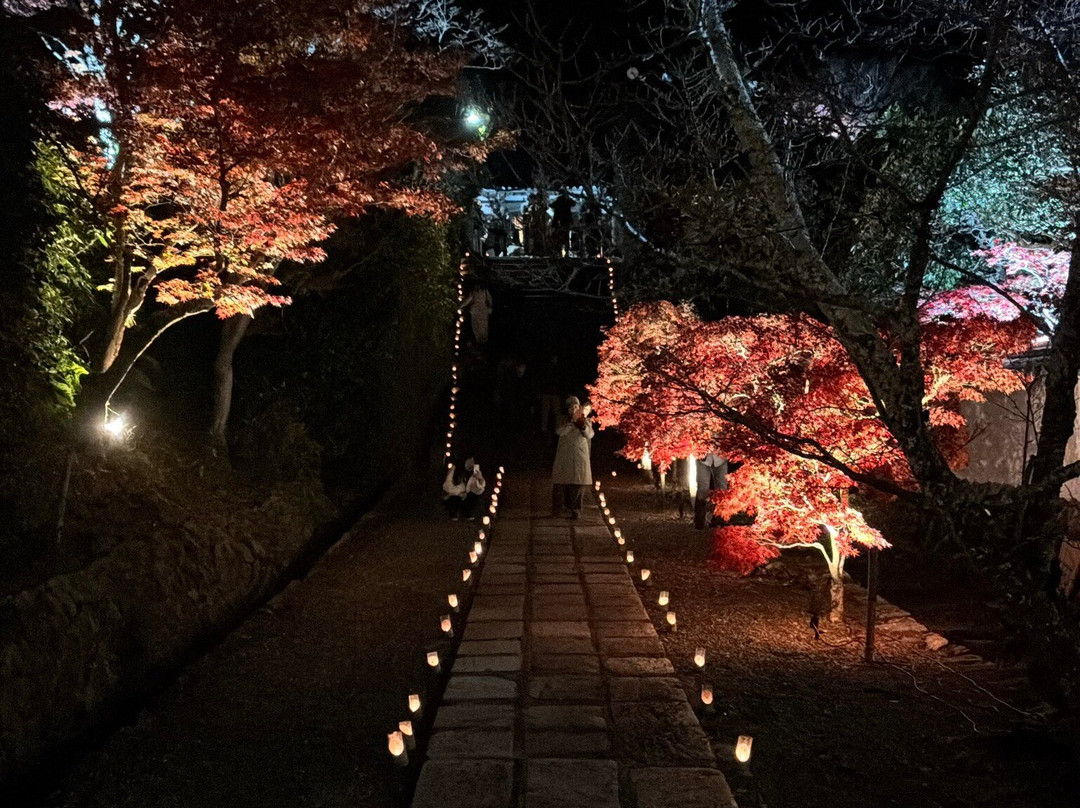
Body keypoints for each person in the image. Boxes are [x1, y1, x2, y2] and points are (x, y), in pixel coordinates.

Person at [551, 396, 594, 518]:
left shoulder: (586, 420)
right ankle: (559, 508)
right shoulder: (562, 420)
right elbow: (560, 431)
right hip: (565, 454)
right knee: (562, 482)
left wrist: (582, 426)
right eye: (571, 408)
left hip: (580, 455)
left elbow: (590, 434)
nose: (574, 410)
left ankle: (576, 509)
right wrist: (571, 424)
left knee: (578, 484)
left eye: (576, 407)